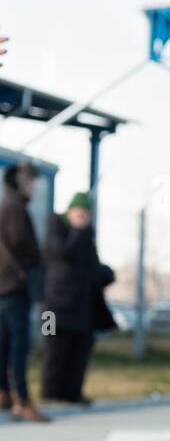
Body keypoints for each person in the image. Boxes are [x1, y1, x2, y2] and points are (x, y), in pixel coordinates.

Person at [41, 192, 117, 405]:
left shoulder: (87, 237)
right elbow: (64, 253)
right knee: (54, 350)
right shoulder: (56, 228)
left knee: (79, 351)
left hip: (82, 308)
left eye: (86, 214)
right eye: (79, 213)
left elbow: (91, 269)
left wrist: (106, 274)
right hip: (53, 308)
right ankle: (50, 393)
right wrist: (78, 229)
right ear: (70, 212)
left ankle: (72, 392)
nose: (83, 218)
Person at [0, 161, 50, 422]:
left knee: (5, 344)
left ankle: (5, 394)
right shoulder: (16, 209)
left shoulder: (5, 205)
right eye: (31, 183)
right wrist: (35, 262)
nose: (33, 188)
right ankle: (23, 400)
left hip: (5, 285)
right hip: (15, 284)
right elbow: (23, 244)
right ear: (20, 182)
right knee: (20, 346)